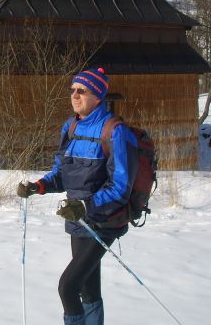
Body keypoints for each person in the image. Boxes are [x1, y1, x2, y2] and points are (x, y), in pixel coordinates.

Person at [17, 67, 138, 325]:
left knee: (67, 287)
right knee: (87, 288)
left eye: (82, 91)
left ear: (97, 96)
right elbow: (61, 174)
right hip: (76, 220)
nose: (75, 95)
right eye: (72, 90)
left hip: (104, 221)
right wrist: (38, 186)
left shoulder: (115, 132)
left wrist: (86, 206)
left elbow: (121, 187)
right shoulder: (70, 127)